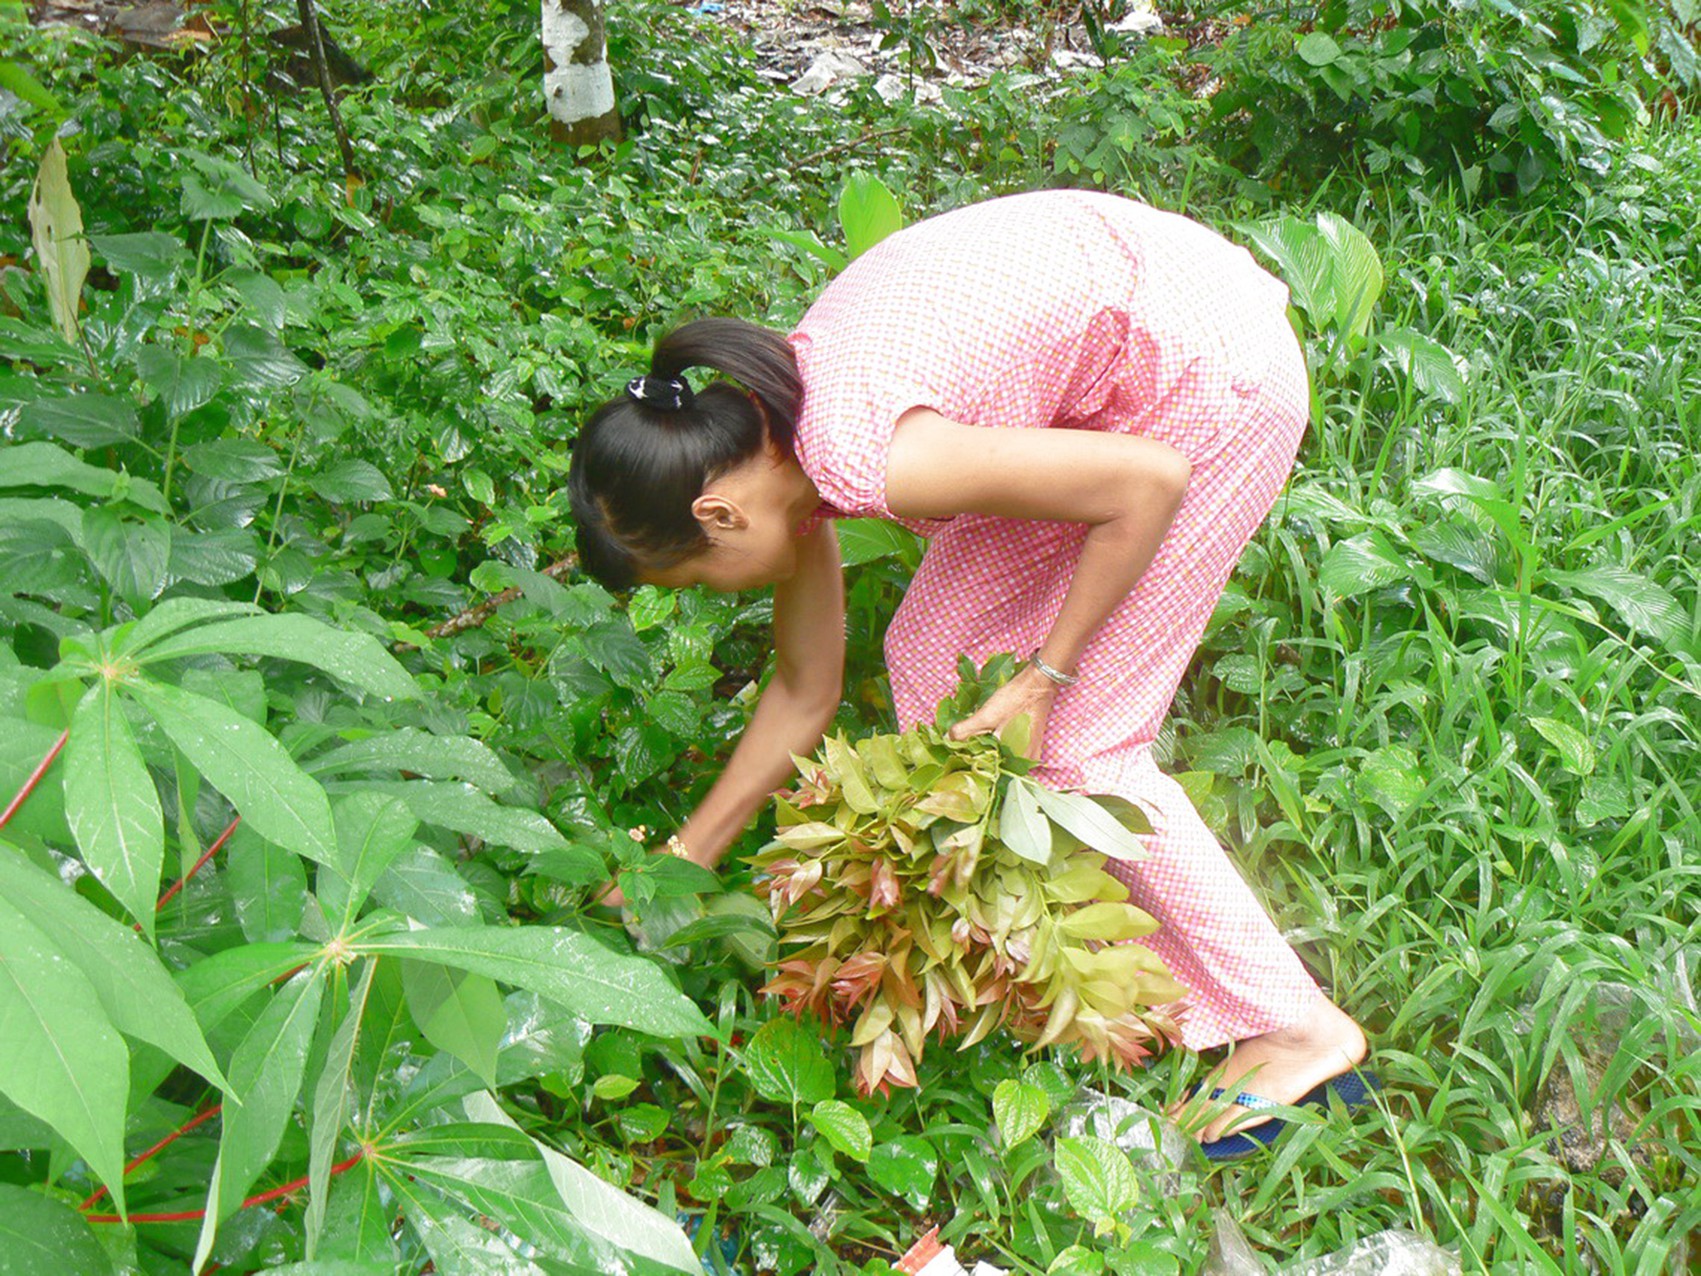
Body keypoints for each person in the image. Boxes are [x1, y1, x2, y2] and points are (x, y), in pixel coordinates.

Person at [566, 189, 1367, 1152]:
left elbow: (1144, 481)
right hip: (1127, 352)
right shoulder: (773, 432)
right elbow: (803, 687)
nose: (709, 596)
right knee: (937, 659)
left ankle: (1297, 1028)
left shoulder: (864, 451)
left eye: (691, 579)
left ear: (717, 518)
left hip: (1206, 380)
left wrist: (1048, 674)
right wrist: (685, 857)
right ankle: (1100, 939)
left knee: (1079, 743)